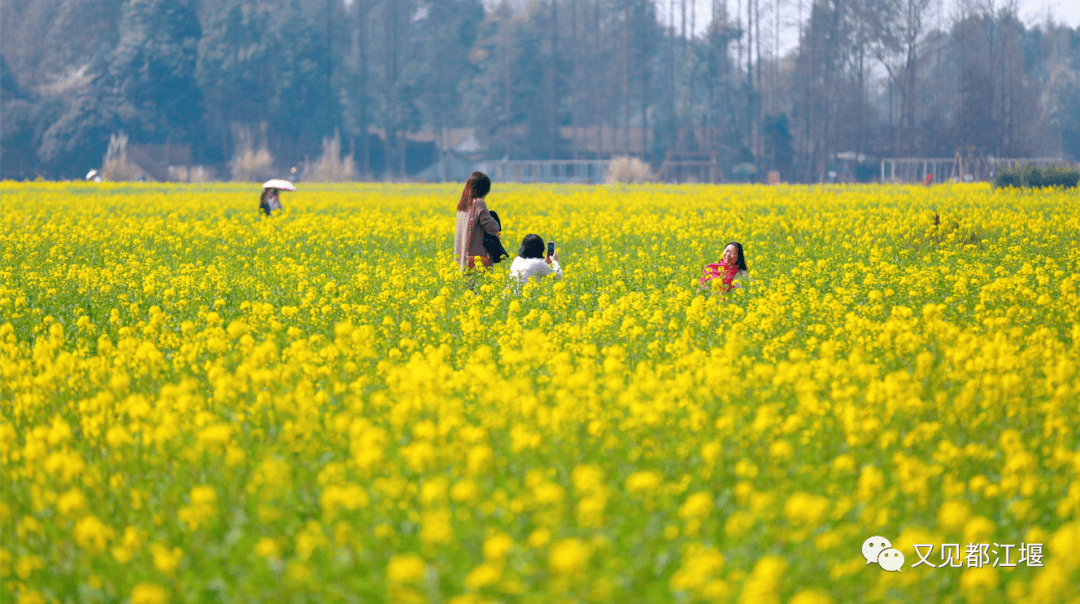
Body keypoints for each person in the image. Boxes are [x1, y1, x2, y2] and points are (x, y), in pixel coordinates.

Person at [454, 172, 501, 270]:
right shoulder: (478, 203)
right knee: (478, 283)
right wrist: (494, 219)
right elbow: (492, 228)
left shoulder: (462, 205)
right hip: (476, 258)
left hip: (462, 257)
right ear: (484, 189)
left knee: (465, 283)